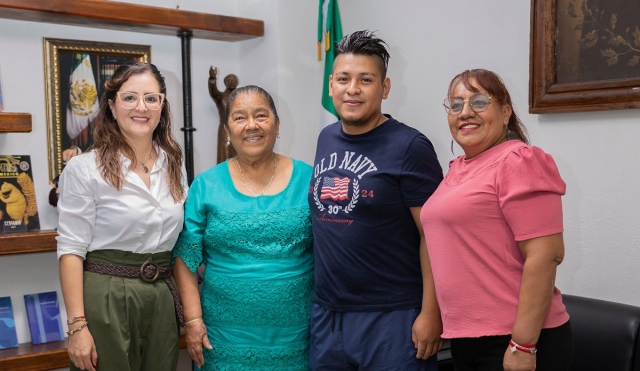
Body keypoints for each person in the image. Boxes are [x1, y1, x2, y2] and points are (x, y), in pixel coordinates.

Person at [308, 30, 444, 370]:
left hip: (392, 317)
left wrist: (432, 312)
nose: (352, 89)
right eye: (343, 79)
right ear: (330, 86)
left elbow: (436, 236)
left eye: (365, 80)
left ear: (384, 88)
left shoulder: (410, 147)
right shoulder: (326, 138)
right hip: (328, 314)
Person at [421, 69, 574, 371]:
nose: (465, 112)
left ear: (505, 113)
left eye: (479, 102)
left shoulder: (520, 160)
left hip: (517, 340)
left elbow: (545, 255)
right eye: (455, 105)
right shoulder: (458, 168)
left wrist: (523, 345)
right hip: (466, 338)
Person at [57, 61, 187, 371]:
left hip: (160, 295)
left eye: (151, 98)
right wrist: (77, 326)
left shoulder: (174, 165)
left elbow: (182, 238)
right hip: (107, 293)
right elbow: (71, 249)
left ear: (162, 106)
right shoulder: (85, 168)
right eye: (130, 97)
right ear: (113, 106)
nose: (141, 107)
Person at [172, 85, 314, 370]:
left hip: (298, 336)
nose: (251, 125)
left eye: (261, 115)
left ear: (277, 125)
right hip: (222, 338)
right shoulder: (206, 185)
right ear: (227, 131)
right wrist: (193, 321)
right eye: (239, 118)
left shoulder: (310, 179)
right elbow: (184, 260)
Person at [208, 66, 239, 163]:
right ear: (225, 82)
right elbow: (213, 92)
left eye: (234, 80)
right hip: (225, 129)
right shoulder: (221, 97)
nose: (231, 82)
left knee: (238, 152)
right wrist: (212, 79)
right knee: (225, 154)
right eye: (229, 80)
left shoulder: (240, 97)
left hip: (238, 128)